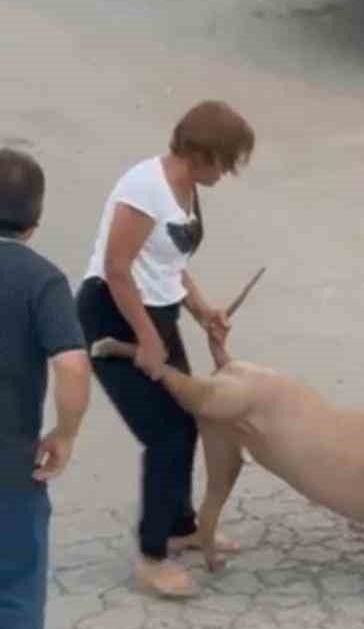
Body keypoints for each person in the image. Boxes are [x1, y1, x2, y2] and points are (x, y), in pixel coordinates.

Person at [77, 101, 254, 600]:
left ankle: (181, 526)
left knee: (188, 418)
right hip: (112, 314)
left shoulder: (187, 188)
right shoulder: (145, 187)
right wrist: (147, 339)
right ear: (202, 154)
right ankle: (153, 555)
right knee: (166, 433)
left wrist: (202, 311)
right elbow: (117, 268)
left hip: (156, 313)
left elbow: (169, 262)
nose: (228, 173)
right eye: (226, 161)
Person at [0, 149, 91, 629]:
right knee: (13, 595)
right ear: (34, 222)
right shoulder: (41, 281)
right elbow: (73, 366)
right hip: (10, 470)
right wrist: (66, 433)